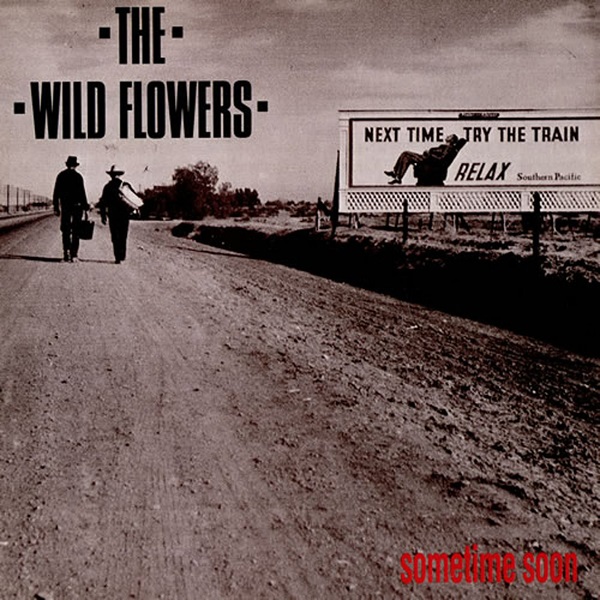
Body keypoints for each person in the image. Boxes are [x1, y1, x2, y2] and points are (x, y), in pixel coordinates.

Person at [384, 134, 467, 185]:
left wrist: (429, 154)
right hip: (428, 160)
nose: (447, 136)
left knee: (406, 154)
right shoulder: (447, 148)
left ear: (452, 140)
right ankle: (397, 174)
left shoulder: (448, 148)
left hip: (428, 160)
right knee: (405, 156)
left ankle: (397, 175)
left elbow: (441, 159)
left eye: (450, 136)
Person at [53, 155, 89, 262]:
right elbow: (82, 194)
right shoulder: (78, 177)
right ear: (75, 165)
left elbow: (56, 193)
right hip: (77, 207)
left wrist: (56, 207)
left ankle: (66, 253)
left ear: (67, 164)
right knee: (76, 230)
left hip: (66, 206)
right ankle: (74, 255)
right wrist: (85, 208)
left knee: (66, 230)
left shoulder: (61, 176)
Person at [98, 165, 135, 264]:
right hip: (124, 214)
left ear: (111, 175)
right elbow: (133, 199)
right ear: (120, 175)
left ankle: (117, 257)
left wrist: (103, 216)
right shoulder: (125, 185)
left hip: (113, 214)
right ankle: (122, 256)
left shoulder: (107, 187)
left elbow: (103, 203)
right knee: (123, 235)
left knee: (115, 236)